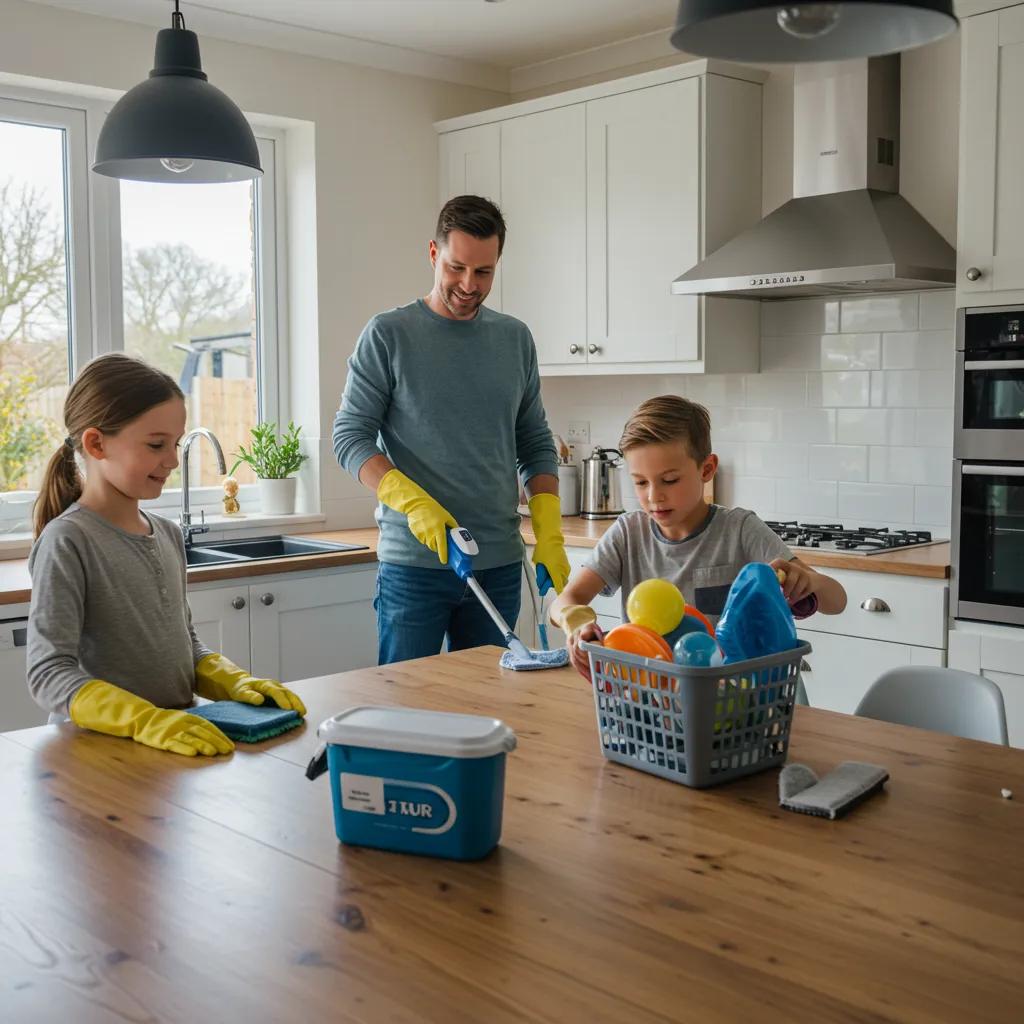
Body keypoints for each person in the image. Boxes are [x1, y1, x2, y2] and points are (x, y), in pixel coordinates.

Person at [27, 353, 306, 757]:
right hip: (97, 753)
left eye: (174, 444)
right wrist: (143, 720)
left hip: (176, 740)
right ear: (96, 443)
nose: (173, 460)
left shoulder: (168, 534)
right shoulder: (67, 541)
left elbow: (183, 644)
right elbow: (48, 672)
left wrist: (233, 680)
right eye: (156, 444)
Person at [333, 195, 569, 664]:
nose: (468, 284)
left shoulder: (514, 339)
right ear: (433, 253)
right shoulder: (388, 334)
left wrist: (550, 534)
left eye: (483, 272)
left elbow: (536, 443)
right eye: (457, 267)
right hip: (414, 564)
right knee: (405, 706)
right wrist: (412, 502)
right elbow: (350, 437)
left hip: (499, 562)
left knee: (487, 711)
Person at [548, 395, 847, 677]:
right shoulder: (627, 533)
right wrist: (577, 624)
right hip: (649, 700)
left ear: (707, 469)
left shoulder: (740, 529)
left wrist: (808, 581)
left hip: (733, 697)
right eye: (640, 482)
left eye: (670, 480)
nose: (654, 496)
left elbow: (837, 601)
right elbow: (565, 601)